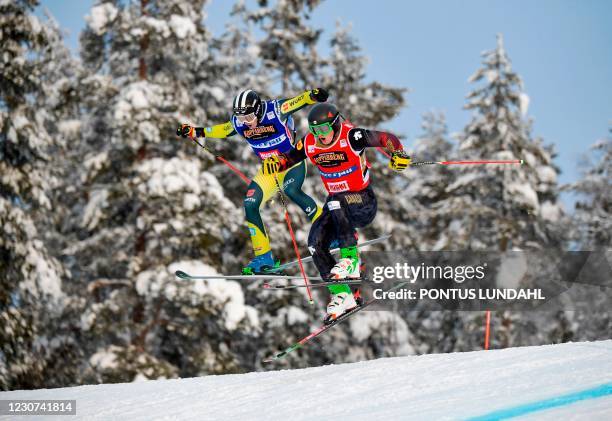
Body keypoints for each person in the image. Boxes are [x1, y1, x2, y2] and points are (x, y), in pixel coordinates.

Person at [261, 102, 411, 323]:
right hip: (336, 206)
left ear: (335, 124)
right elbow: (290, 158)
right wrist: (276, 163)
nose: (320, 135)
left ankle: (350, 260)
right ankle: (344, 295)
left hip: (362, 202)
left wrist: (398, 153)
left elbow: (386, 138)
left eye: (323, 129)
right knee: (315, 243)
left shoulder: (352, 137)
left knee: (337, 200)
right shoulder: (310, 143)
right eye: (315, 130)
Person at [177, 89, 329, 274]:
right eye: (241, 119)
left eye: (249, 117)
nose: (246, 123)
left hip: (291, 164)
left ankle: (329, 231)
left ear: (257, 110)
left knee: (292, 191)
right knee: (250, 204)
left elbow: (299, 101)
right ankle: (264, 257)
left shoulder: (276, 110)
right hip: (269, 170)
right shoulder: (239, 122)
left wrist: (314, 96)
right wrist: (195, 131)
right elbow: (222, 130)